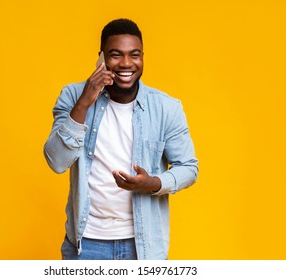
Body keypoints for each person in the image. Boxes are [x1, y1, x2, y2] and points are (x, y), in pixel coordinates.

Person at [44, 18, 198, 260]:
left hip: (143, 247)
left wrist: (154, 183)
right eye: (116, 55)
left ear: (142, 57)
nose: (126, 63)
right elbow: (57, 161)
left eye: (134, 55)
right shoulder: (73, 96)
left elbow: (189, 168)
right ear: (101, 58)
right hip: (86, 245)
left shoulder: (167, 108)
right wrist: (85, 101)